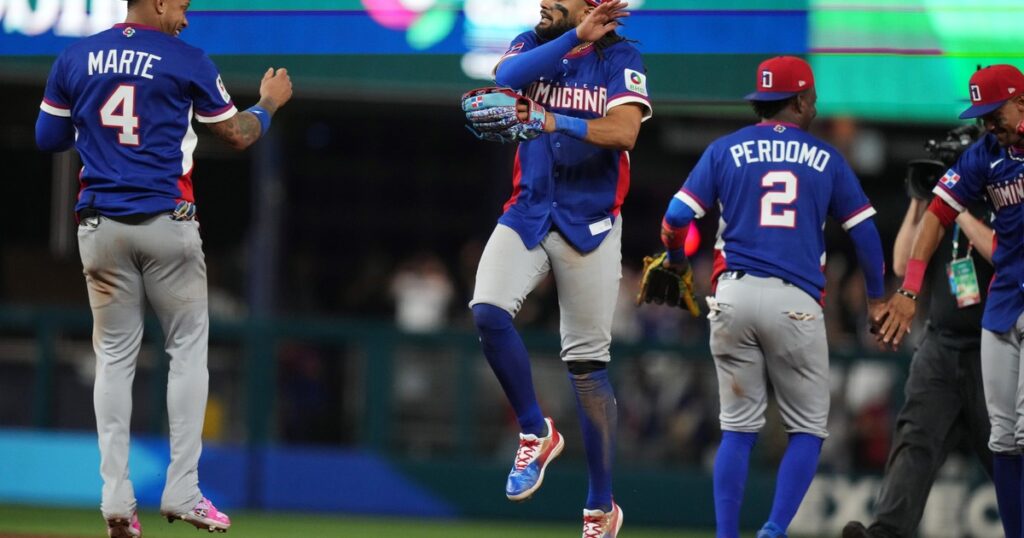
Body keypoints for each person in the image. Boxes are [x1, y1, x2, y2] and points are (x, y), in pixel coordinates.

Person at [34, 0, 292, 536]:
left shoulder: (76, 57)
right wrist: (267, 104)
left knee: (113, 360)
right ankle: (183, 490)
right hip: (165, 223)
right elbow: (238, 134)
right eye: (181, 4)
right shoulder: (186, 58)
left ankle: (115, 501)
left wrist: (92, 126)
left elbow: (47, 138)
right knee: (187, 351)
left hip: (100, 227)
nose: (186, 16)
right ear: (156, 1)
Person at [657, 56, 887, 538]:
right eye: (813, 100)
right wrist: (876, 298)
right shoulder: (826, 157)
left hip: (733, 295)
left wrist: (677, 261)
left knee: (738, 431)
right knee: (807, 431)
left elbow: (675, 218)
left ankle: (725, 534)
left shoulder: (724, 149)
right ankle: (774, 529)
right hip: (795, 303)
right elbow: (865, 233)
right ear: (799, 101)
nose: (815, 107)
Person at [467, 0, 648, 536]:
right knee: (486, 311)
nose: (544, 2)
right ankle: (533, 431)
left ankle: (599, 507)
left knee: (588, 369)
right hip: (529, 208)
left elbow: (624, 132)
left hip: (590, 222)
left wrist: (553, 118)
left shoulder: (622, 57)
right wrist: (573, 37)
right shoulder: (536, 43)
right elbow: (505, 77)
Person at [876, 64, 1024, 538]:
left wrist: (964, 210)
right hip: (980, 327)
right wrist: (909, 290)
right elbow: (933, 221)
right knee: (1000, 442)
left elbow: (1003, 251)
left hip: (1003, 308)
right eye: (980, 117)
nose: (987, 126)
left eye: (993, 113)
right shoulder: (984, 156)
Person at [842, 186, 994, 537]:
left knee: (1007, 455)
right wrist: (920, 201)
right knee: (915, 439)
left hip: (996, 348)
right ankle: (885, 534)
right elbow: (900, 263)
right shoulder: (946, 206)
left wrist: (958, 210)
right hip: (941, 342)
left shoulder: (1007, 191)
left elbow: (1003, 254)